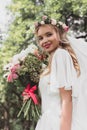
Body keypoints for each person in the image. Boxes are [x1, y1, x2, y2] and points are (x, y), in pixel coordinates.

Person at [34, 15, 87, 130]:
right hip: (48, 121)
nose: (45, 40)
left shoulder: (60, 55)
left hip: (58, 123)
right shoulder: (50, 62)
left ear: (59, 34)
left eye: (49, 34)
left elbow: (67, 99)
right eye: (40, 38)